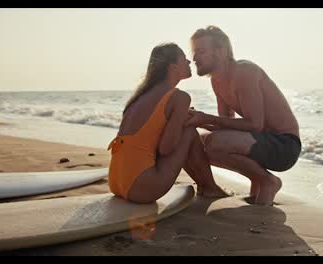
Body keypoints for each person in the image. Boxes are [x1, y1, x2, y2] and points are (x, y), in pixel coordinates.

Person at [185, 26, 302, 206]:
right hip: (260, 141)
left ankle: (267, 181)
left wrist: (206, 118)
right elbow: (228, 126)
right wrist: (196, 120)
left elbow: (255, 124)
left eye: (201, 51)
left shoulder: (244, 71)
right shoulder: (217, 81)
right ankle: (256, 181)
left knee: (214, 143)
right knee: (194, 143)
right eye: (194, 52)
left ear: (221, 51)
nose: (194, 58)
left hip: (284, 146)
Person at [107, 42, 227, 204]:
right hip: (142, 188)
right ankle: (209, 187)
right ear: (173, 67)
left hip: (116, 182)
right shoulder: (179, 97)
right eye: (184, 59)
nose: (189, 62)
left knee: (186, 129)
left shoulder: (141, 96)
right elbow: (166, 149)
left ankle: (207, 186)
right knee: (189, 131)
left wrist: (179, 120)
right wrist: (185, 121)